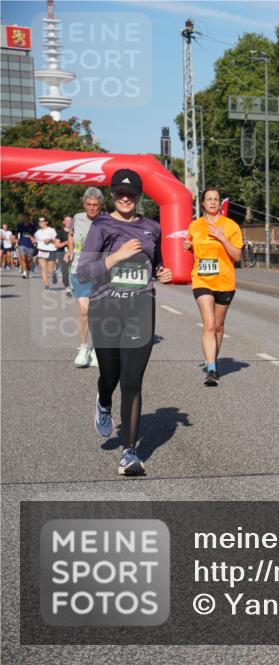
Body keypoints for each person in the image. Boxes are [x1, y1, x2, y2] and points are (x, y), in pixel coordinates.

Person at [77, 168, 173, 477]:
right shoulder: (101, 227)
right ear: (113, 195)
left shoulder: (152, 228)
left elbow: (157, 264)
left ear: (139, 196)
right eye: (120, 192)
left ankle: (130, 452)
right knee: (110, 376)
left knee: (132, 380)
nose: (125, 197)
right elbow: (84, 272)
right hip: (105, 308)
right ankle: (104, 402)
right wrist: (116, 257)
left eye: (131, 193)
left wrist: (163, 273)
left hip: (140, 307)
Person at [183, 186, 244, 387]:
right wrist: (189, 248)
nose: (212, 202)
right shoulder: (195, 226)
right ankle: (211, 369)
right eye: (208, 199)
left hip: (225, 281)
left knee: (218, 326)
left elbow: (237, 256)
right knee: (208, 324)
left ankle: (213, 360)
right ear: (202, 203)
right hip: (202, 280)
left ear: (219, 203)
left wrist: (222, 237)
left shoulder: (231, 226)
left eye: (215, 199)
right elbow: (196, 250)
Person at [69, 187, 104, 368]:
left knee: (98, 313)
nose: (91, 208)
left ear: (101, 205)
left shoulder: (107, 220)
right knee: (84, 311)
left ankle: (97, 350)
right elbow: (71, 235)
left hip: (99, 272)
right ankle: (83, 347)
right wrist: (69, 251)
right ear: (84, 204)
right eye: (88, 205)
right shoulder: (77, 218)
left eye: (95, 205)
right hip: (78, 270)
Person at [34, 217, 58, 290]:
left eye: (42, 221)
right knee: (43, 268)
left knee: (50, 270)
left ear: (46, 222)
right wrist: (34, 241)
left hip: (51, 251)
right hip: (41, 251)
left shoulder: (52, 230)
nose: (41, 222)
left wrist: (50, 239)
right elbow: (37, 241)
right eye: (39, 221)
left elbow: (55, 239)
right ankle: (46, 284)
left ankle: (53, 273)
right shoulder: (37, 232)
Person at [54, 216, 72, 293]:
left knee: (74, 271)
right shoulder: (60, 232)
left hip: (73, 253)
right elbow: (56, 245)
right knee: (65, 271)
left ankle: (74, 285)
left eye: (70, 220)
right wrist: (65, 243)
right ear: (64, 222)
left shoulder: (75, 231)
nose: (68, 222)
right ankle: (67, 286)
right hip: (62, 253)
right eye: (66, 220)